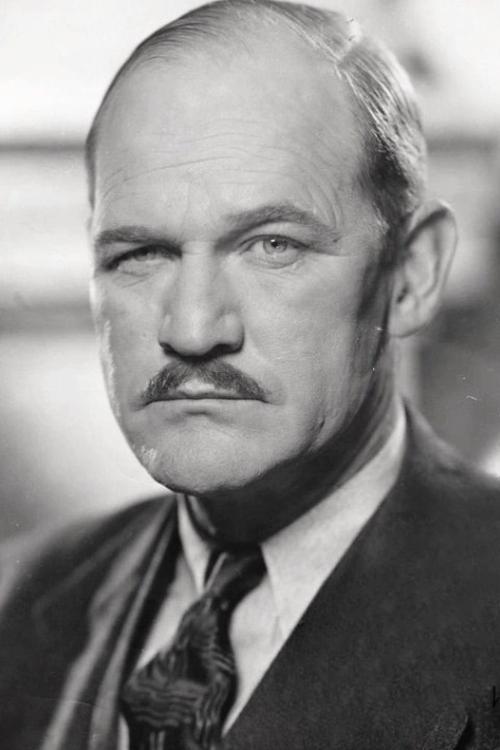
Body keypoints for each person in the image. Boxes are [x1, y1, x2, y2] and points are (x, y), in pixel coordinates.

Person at [2, 1, 500, 748]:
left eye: (273, 246)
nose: (193, 330)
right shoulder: (20, 601)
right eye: (141, 254)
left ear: (412, 273)